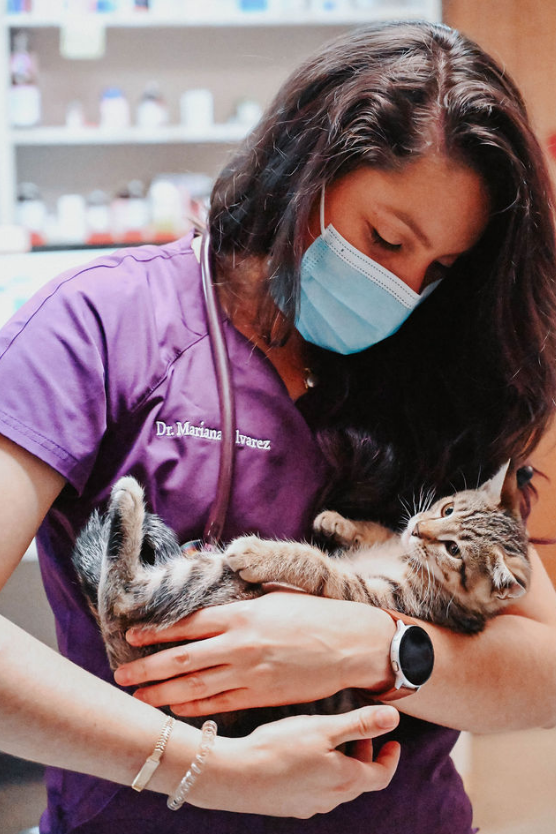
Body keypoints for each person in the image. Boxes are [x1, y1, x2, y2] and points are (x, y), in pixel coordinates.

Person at [1, 18, 556, 834]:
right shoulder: (100, 326)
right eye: (385, 239)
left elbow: (544, 673)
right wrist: (209, 770)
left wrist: (374, 645)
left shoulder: (436, 372)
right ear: (304, 166)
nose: (401, 290)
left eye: (438, 270)